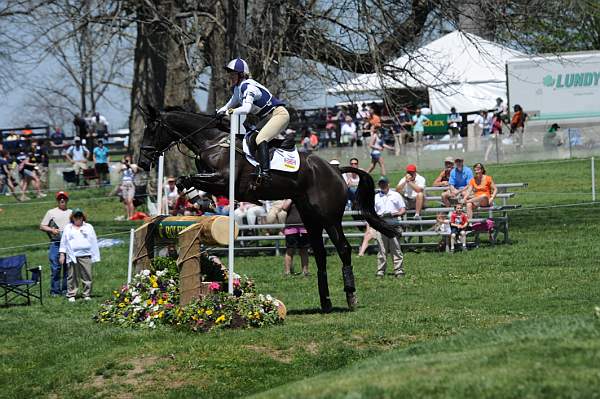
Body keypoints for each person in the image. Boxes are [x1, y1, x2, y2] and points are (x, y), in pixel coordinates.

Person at [216, 58, 288, 184]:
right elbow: (229, 104)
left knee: (260, 139)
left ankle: (266, 172)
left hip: (279, 114)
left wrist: (228, 112)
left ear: (241, 75)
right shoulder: (238, 88)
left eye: (233, 74)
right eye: (230, 74)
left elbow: (246, 108)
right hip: (266, 118)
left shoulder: (248, 87)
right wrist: (217, 113)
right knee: (249, 137)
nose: (230, 77)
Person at [59, 208, 100, 302]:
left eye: (80, 216)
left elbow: (94, 240)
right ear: (72, 217)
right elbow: (63, 241)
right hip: (72, 255)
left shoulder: (88, 227)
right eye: (76, 216)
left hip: (86, 254)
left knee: (87, 275)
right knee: (71, 276)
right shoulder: (68, 227)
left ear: (83, 217)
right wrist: (62, 254)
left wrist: (95, 255)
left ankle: (86, 294)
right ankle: (71, 294)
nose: (78, 218)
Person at [40, 191, 72, 296]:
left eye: (64, 198)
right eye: (60, 198)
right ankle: (55, 291)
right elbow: (42, 226)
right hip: (55, 243)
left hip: (69, 244)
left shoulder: (72, 212)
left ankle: (66, 290)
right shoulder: (51, 212)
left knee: (68, 268)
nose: (62, 200)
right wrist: (51, 230)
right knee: (55, 268)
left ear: (67, 200)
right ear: (57, 200)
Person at [373, 176, 405, 278]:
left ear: (388, 184)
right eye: (381, 184)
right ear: (379, 185)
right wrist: (378, 217)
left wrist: (395, 214)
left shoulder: (396, 195)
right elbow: (372, 212)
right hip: (381, 225)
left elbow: (403, 209)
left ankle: (398, 270)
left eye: (384, 183)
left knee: (396, 249)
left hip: (393, 225)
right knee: (382, 250)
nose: (383, 185)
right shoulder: (375, 197)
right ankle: (380, 271)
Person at [281, 199, 310, 276]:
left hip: (304, 227)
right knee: (290, 249)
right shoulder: (290, 197)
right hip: (291, 227)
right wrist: (292, 197)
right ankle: (287, 272)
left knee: (304, 250)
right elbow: (284, 207)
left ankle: (305, 271)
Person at [118, 154, 138, 219]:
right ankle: (128, 216)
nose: (127, 160)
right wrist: (123, 164)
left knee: (130, 200)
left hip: (130, 183)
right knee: (125, 201)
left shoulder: (134, 165)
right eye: (126, 159)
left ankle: (131, 216)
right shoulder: (123, 166)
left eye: (128, 159)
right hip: (124, 183)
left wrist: (129, 165)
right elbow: (118, 171)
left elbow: (135, 171)